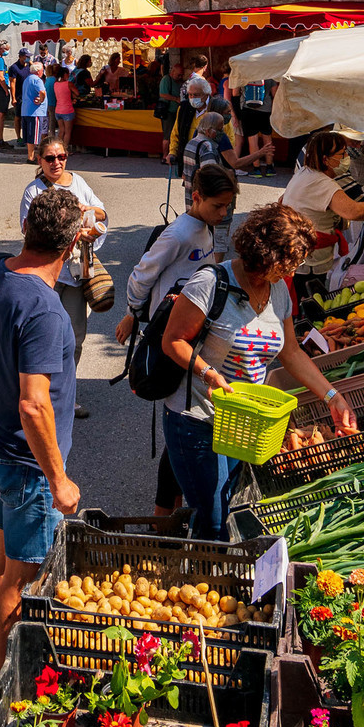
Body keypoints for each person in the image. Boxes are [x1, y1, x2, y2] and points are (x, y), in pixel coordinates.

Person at [159, 203, 361, 537]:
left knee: (232, 510)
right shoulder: (210, 283)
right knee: (212, 520)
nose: (294, 271)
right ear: (265, 256)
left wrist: (332, 396)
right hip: (196, 417)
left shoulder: (278, 290)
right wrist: (210, 374)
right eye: (289, 263)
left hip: (242, 422)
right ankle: (198, 575)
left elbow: (291, 352)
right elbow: (173, 341)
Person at [0, 185, 87, 674]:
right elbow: (34, 405)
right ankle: (7, 681)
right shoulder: (45, 308)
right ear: (70, 247)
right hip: (29, 465)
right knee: (21, 579)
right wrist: (58, 479)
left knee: (4, 560)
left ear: (27, 227)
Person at [117, 161, 240, 529]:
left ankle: (165, 516)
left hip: (194, 337)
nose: (223, 213)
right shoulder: (180, 233)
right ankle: (163, 519)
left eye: (228, 207)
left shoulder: (203, 229)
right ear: (197, 196)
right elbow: (141, 275)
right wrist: (135, 315)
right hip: (172, 342)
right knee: (181, 427)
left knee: (179, 439)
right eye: (217, 206)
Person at [20, 134, 108, 414]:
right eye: (50, 158)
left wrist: (87, 210)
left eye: (61, 157)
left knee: (74, 337)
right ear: (39, 160)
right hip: (45, 276)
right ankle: (36, 392)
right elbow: (28, 233)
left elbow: (102, 213)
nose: (56, 162)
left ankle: (65, 394)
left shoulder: (78, 182)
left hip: (75, 274)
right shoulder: (33, 191)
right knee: (40, 335)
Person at [282, 127, 364, 285]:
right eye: (342, 154)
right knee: (311, 296)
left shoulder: (303, 173)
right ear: (326, 159)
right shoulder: (323, 183)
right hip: (309, 260)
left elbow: (281, 201)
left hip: (299, 253)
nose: (346, 158)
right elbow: (355, 211)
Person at [181, 109, 241, 187]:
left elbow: (185, 175)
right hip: (205, 196)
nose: (221, 132)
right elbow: (211, 176)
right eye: (219, 129)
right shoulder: (208, 147)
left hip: (191, 195)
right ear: (209, 131)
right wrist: (227, 174)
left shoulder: (191, 143)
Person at [236, 74, 277, 171]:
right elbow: (275, 94)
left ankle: (256, 168)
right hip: (266, 110)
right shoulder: (270, 74)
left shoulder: (245, 73)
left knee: (252, 140)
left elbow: (235, 93)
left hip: (248, 109)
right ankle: (269, 167)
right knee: (267, 139)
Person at [18, 59, 49, 154]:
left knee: (29, 135)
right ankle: (32, 157)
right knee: (35, 137)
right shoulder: (37, 80)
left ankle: (30, 156)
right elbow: (42, 92)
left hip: (26, 111)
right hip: (35, 112)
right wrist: (41, 99)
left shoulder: (27, 79)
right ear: (39, 71)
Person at [52, 63, 78, 141]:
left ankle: (59, 149)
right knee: (67, 132)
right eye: (68, 74)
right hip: (67, 110)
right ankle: (65, 150)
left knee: (61, 131)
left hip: (58, 110)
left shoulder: (55, 84)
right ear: (65, 74)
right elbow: (77, 93)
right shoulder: (68, 84)